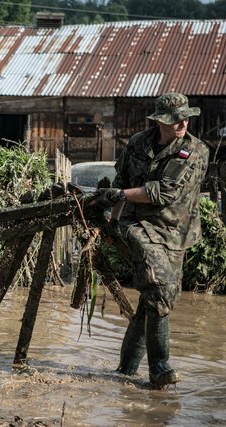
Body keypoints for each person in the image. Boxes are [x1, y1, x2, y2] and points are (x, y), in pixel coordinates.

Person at [95, 92, 209, 388]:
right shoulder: (137, 143)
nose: (182, 122)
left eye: (185, 117)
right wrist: (114, 216)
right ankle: (160, 368)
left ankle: (126, 371)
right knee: (160, 291)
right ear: (160, 121)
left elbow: (164, 192)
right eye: (175, 119)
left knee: (152, 302)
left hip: (175, 230)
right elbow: (122, 180)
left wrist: (121, 195)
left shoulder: (195, 151)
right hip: (137, 224)